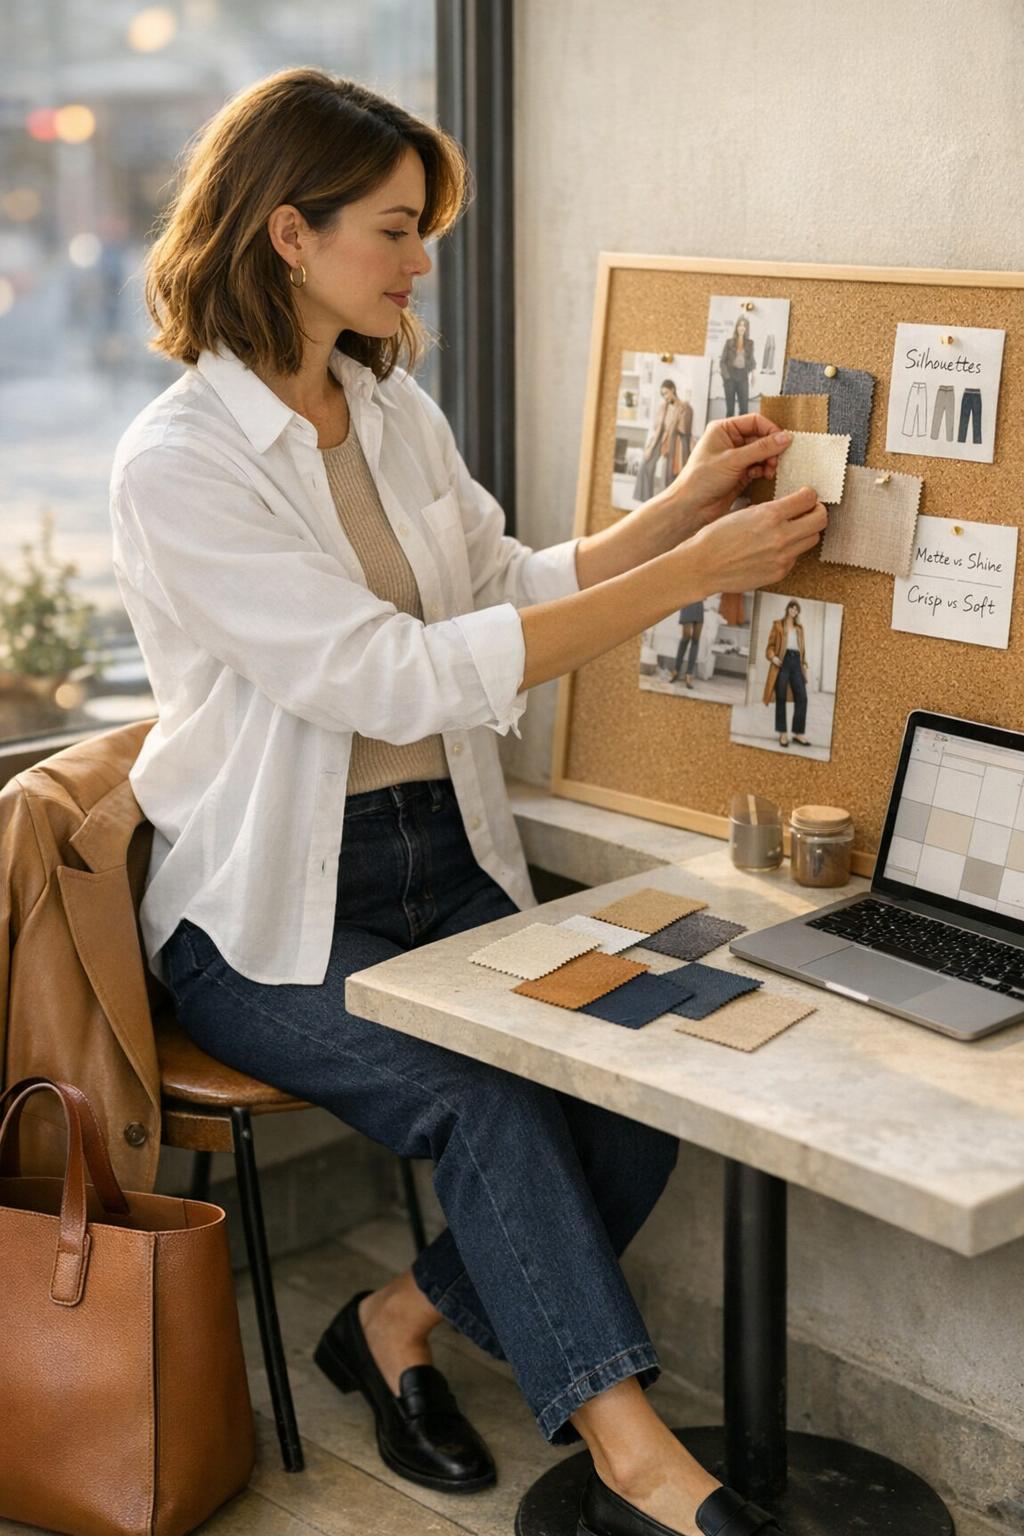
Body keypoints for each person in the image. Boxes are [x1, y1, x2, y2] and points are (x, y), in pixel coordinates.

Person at [111, 68, 825, 1536]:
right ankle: (641, 1468)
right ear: (286, 235)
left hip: (449, 859)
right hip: (272, 920)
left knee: (645, 1077)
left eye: (425, 229)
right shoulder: (178, 465)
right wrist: (690, 580)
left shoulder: (385, 405)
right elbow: (388, 676)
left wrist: (678, 508)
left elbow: (500, 587)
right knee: (484, 1095)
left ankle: (392, 1323)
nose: (423, 260)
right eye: (396, 229)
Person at [633, 379, 694, 503]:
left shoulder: (684, 407)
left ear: (672, 389)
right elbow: (657, 427)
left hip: (674, 440)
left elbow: (684, 430)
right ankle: (645, 499)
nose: (665, 397)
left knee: (670, 473)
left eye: (666, 393)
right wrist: (651, 445)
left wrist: (682, 414)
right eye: (663, 394)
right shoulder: (663, 407)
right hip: (661, 438)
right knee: (645, 464)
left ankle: (669, 502)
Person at [763, 600, 811, 747]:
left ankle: (798, 733)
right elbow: (770, 647)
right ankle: (783, 733)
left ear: (797, 612)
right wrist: (773, 657)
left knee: (802, 697)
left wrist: (804, 666)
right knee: (781, 697)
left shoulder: (799, 628)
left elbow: (802, 650)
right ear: (788, 609)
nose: (794, 611)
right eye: (792, 608)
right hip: (782, 663)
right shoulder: (778, 625)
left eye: (797, 609)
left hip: (796, 662)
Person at [719, 316, 756, 417]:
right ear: (736, 327)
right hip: (730, 376)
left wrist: (753, 374)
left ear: (747, 328)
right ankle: (728, 431)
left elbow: (751, 360)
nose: (742, 327)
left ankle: (741, 431)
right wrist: (726, 377)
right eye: (740, 325)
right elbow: (722, 361)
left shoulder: (750, 343)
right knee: (730, 410)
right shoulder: (729, 342)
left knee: (744, 409)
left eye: (744, 325)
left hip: (743, 377)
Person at [667, 600, 704, 688]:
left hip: (696, 604)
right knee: (688, 639)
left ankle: (685, 673)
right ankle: (680, 672)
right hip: (690, 604)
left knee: (693, 640)